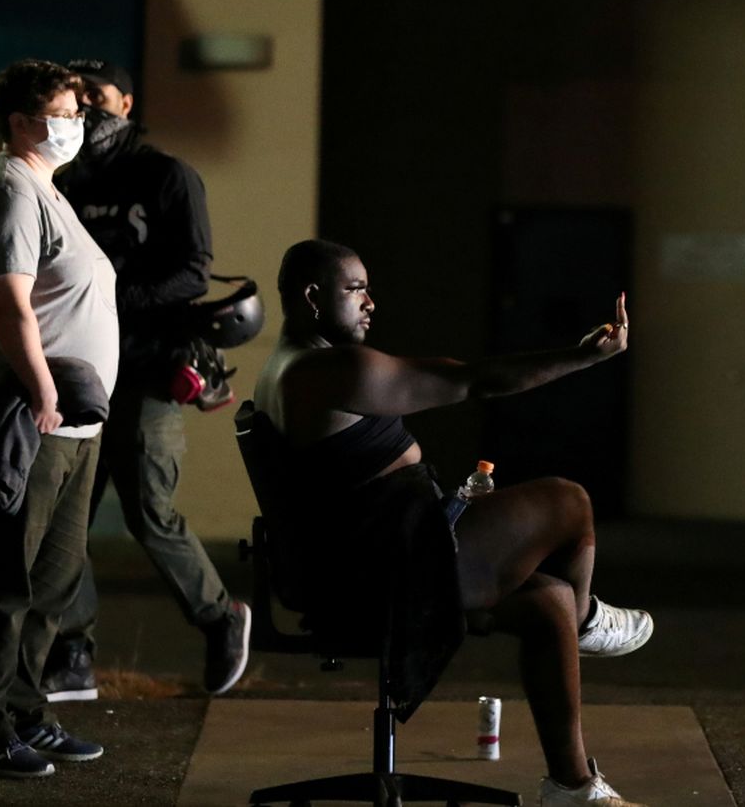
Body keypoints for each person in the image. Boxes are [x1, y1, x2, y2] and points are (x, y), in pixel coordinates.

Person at [254, 239, 653, 807]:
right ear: (314, 298)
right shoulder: (330, 369)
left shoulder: (284, 364)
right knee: (568, 501)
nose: (371, 302)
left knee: (547, 602)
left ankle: (572, 786)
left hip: (364, 563)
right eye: (355, 289)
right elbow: (473, 380)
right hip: (390, 572)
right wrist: (584, 356)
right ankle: (591, 619)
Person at [40, 59, 249, 702]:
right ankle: (73, 652)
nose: (88, 112)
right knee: (63, 514)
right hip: (77, 368)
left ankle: (219, 618)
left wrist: (108, 298)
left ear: (127, 104)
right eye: (78, 101)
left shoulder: (165, 176)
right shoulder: (64, 181)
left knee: (148, 511)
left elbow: (192, 271)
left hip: (147, 366)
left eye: (98, 99)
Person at [0, 59, 119, 778]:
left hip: (72, 424)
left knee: (51, 582)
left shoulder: (48, 189)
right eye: (63, 112)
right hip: (28, 419)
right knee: (5, 579)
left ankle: (28, 712)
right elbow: (8, 303)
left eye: (80, 112)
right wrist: (45, 392)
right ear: (21, 120)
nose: (76, 125)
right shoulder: (10, 191)